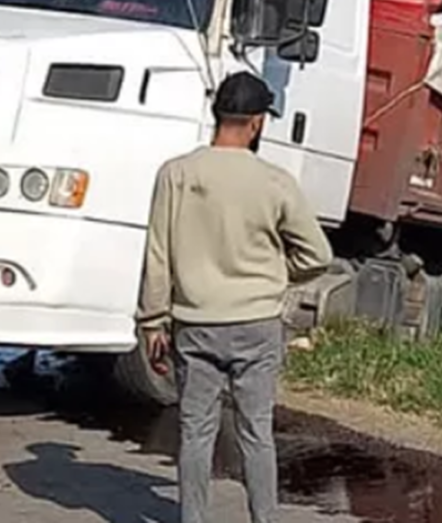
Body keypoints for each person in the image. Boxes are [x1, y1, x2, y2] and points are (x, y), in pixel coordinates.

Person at [137, 71, 333, 523]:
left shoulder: (176, 174)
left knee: (196, 433)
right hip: (257, 323)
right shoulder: (275, 181)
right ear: (258, 122)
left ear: (217, 114)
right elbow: (318, 254)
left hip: (195, 323)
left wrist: (151, 323)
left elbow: (158, 254)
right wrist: (277, 275)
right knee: (255, 432)